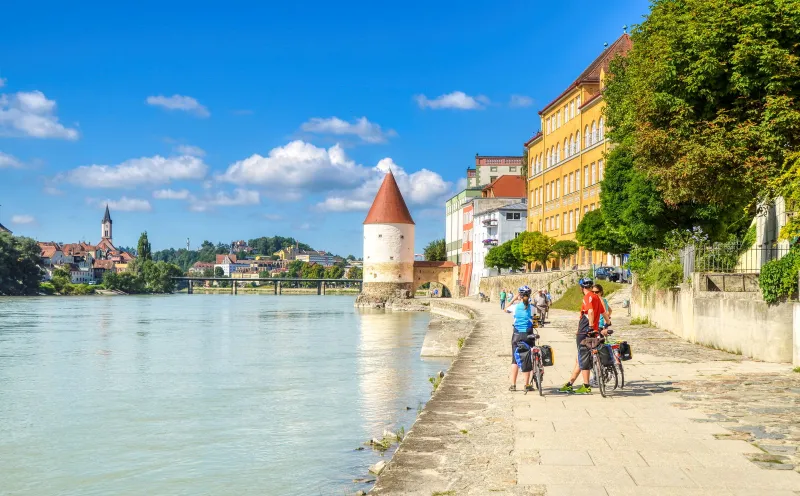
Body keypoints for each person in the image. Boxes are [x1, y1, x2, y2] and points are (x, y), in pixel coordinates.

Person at [558, 278, 611, 394]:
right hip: (596, 330)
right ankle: (570, 383)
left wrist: (591, 327)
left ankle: (586, 385)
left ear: (582, 288)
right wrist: (608, 322)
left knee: (582, 357)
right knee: (580, 359)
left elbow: (590, 311)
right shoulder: (597, 297)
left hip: (584, 331)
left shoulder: (587, 297)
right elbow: (604, 312)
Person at [506, 286, 534, 391]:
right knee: (528, 358)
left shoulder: (515, 307)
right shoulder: (532, 307)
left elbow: (505, 309)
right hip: (528, 335)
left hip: (517, 335)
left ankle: (513, 385)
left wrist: (514, 299)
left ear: (520, 296)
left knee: (515, 360)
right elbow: (535, 318)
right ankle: (526, 385)